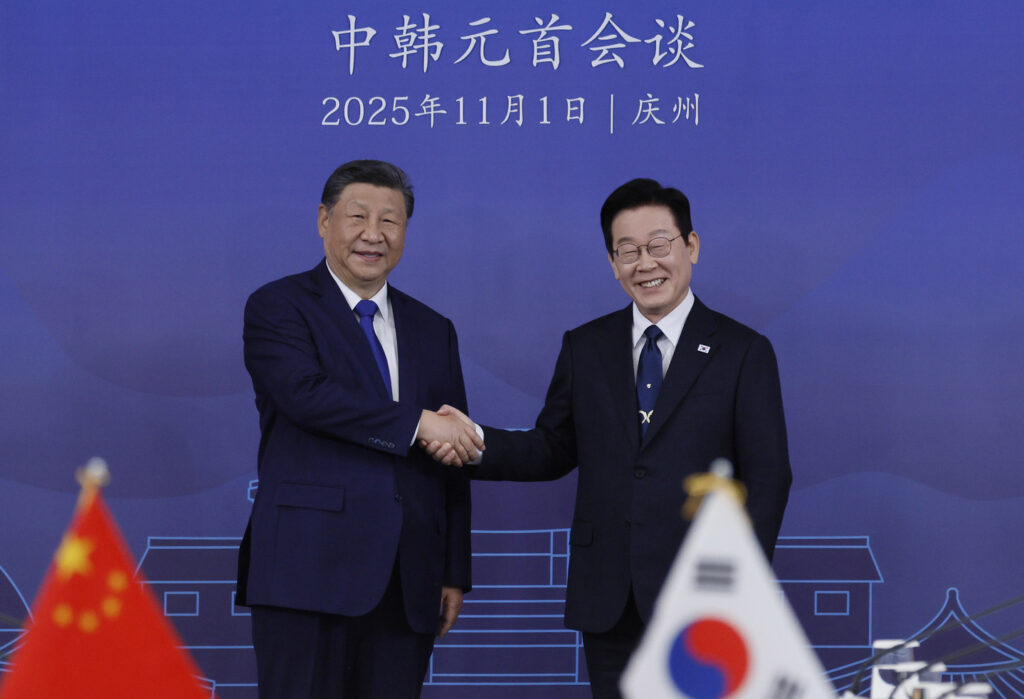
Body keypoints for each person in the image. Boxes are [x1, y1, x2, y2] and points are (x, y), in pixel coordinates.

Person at [426, 178, 792, 699]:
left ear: (691, 246)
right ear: (612, 263)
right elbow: (552, 447)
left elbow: (769, 478)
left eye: (660, 245)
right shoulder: (587, 347)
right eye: (628, 251)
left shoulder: (742, 352)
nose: (646, 264)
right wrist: (473, 440)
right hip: (610, 598)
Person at [236, 159, 484, 698]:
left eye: (390, 221)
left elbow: (453, 448)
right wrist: (416, 424)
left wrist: (452, 570)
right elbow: (307, 398)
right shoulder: (279, 306)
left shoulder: (433, 328)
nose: (373, 234)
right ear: (324, 220)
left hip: (407, 581)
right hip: (306, 571)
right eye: (358, 216)